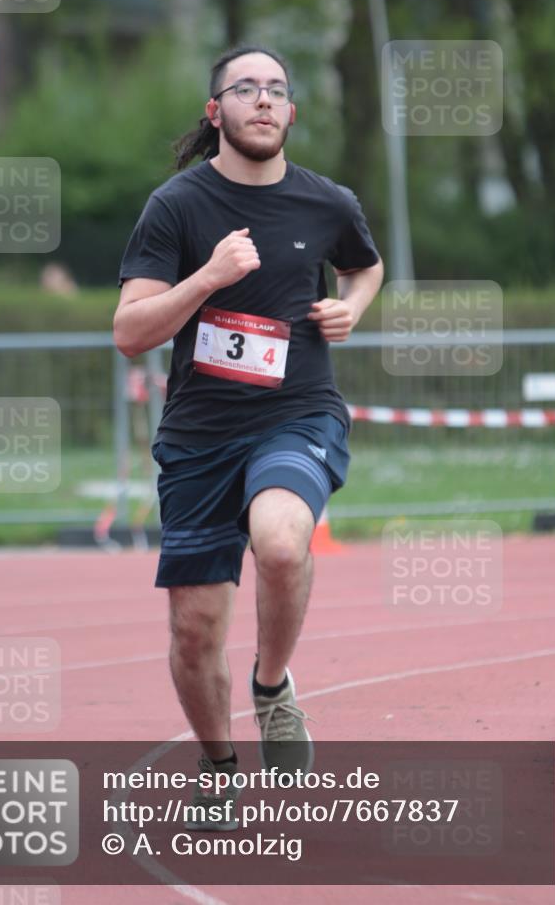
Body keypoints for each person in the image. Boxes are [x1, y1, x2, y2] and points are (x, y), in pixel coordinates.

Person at [114, 44, 383, 828]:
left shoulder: (328, 203)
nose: (262, 100)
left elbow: (363, 267)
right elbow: (129, 333)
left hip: (297, 413)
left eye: (275, 90)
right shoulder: (176, 207)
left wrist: (349, 309)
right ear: (215, 112)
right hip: (200, 435)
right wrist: (207, 278)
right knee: (194, 632)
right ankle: (218, 767)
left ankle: (271, 688)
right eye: (244, 89)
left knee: (280, 544)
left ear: (291, 112)